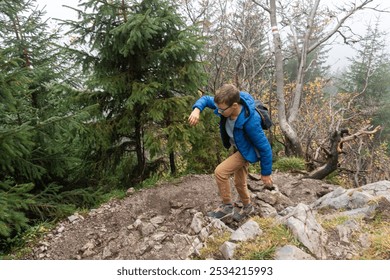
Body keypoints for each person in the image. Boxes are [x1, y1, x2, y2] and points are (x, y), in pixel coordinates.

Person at [188, 84, 273, 221]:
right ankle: (248, 206)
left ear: (234, 106)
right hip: (239, 146)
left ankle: (227, 207)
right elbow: (205, 99)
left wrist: (266, 172)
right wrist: (197, 110)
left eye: (221, 110)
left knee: (220, 172)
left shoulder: (251, 122)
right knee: (240, 182)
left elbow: (265, 147)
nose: (218, 112)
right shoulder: (225, 105)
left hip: (247, 150)